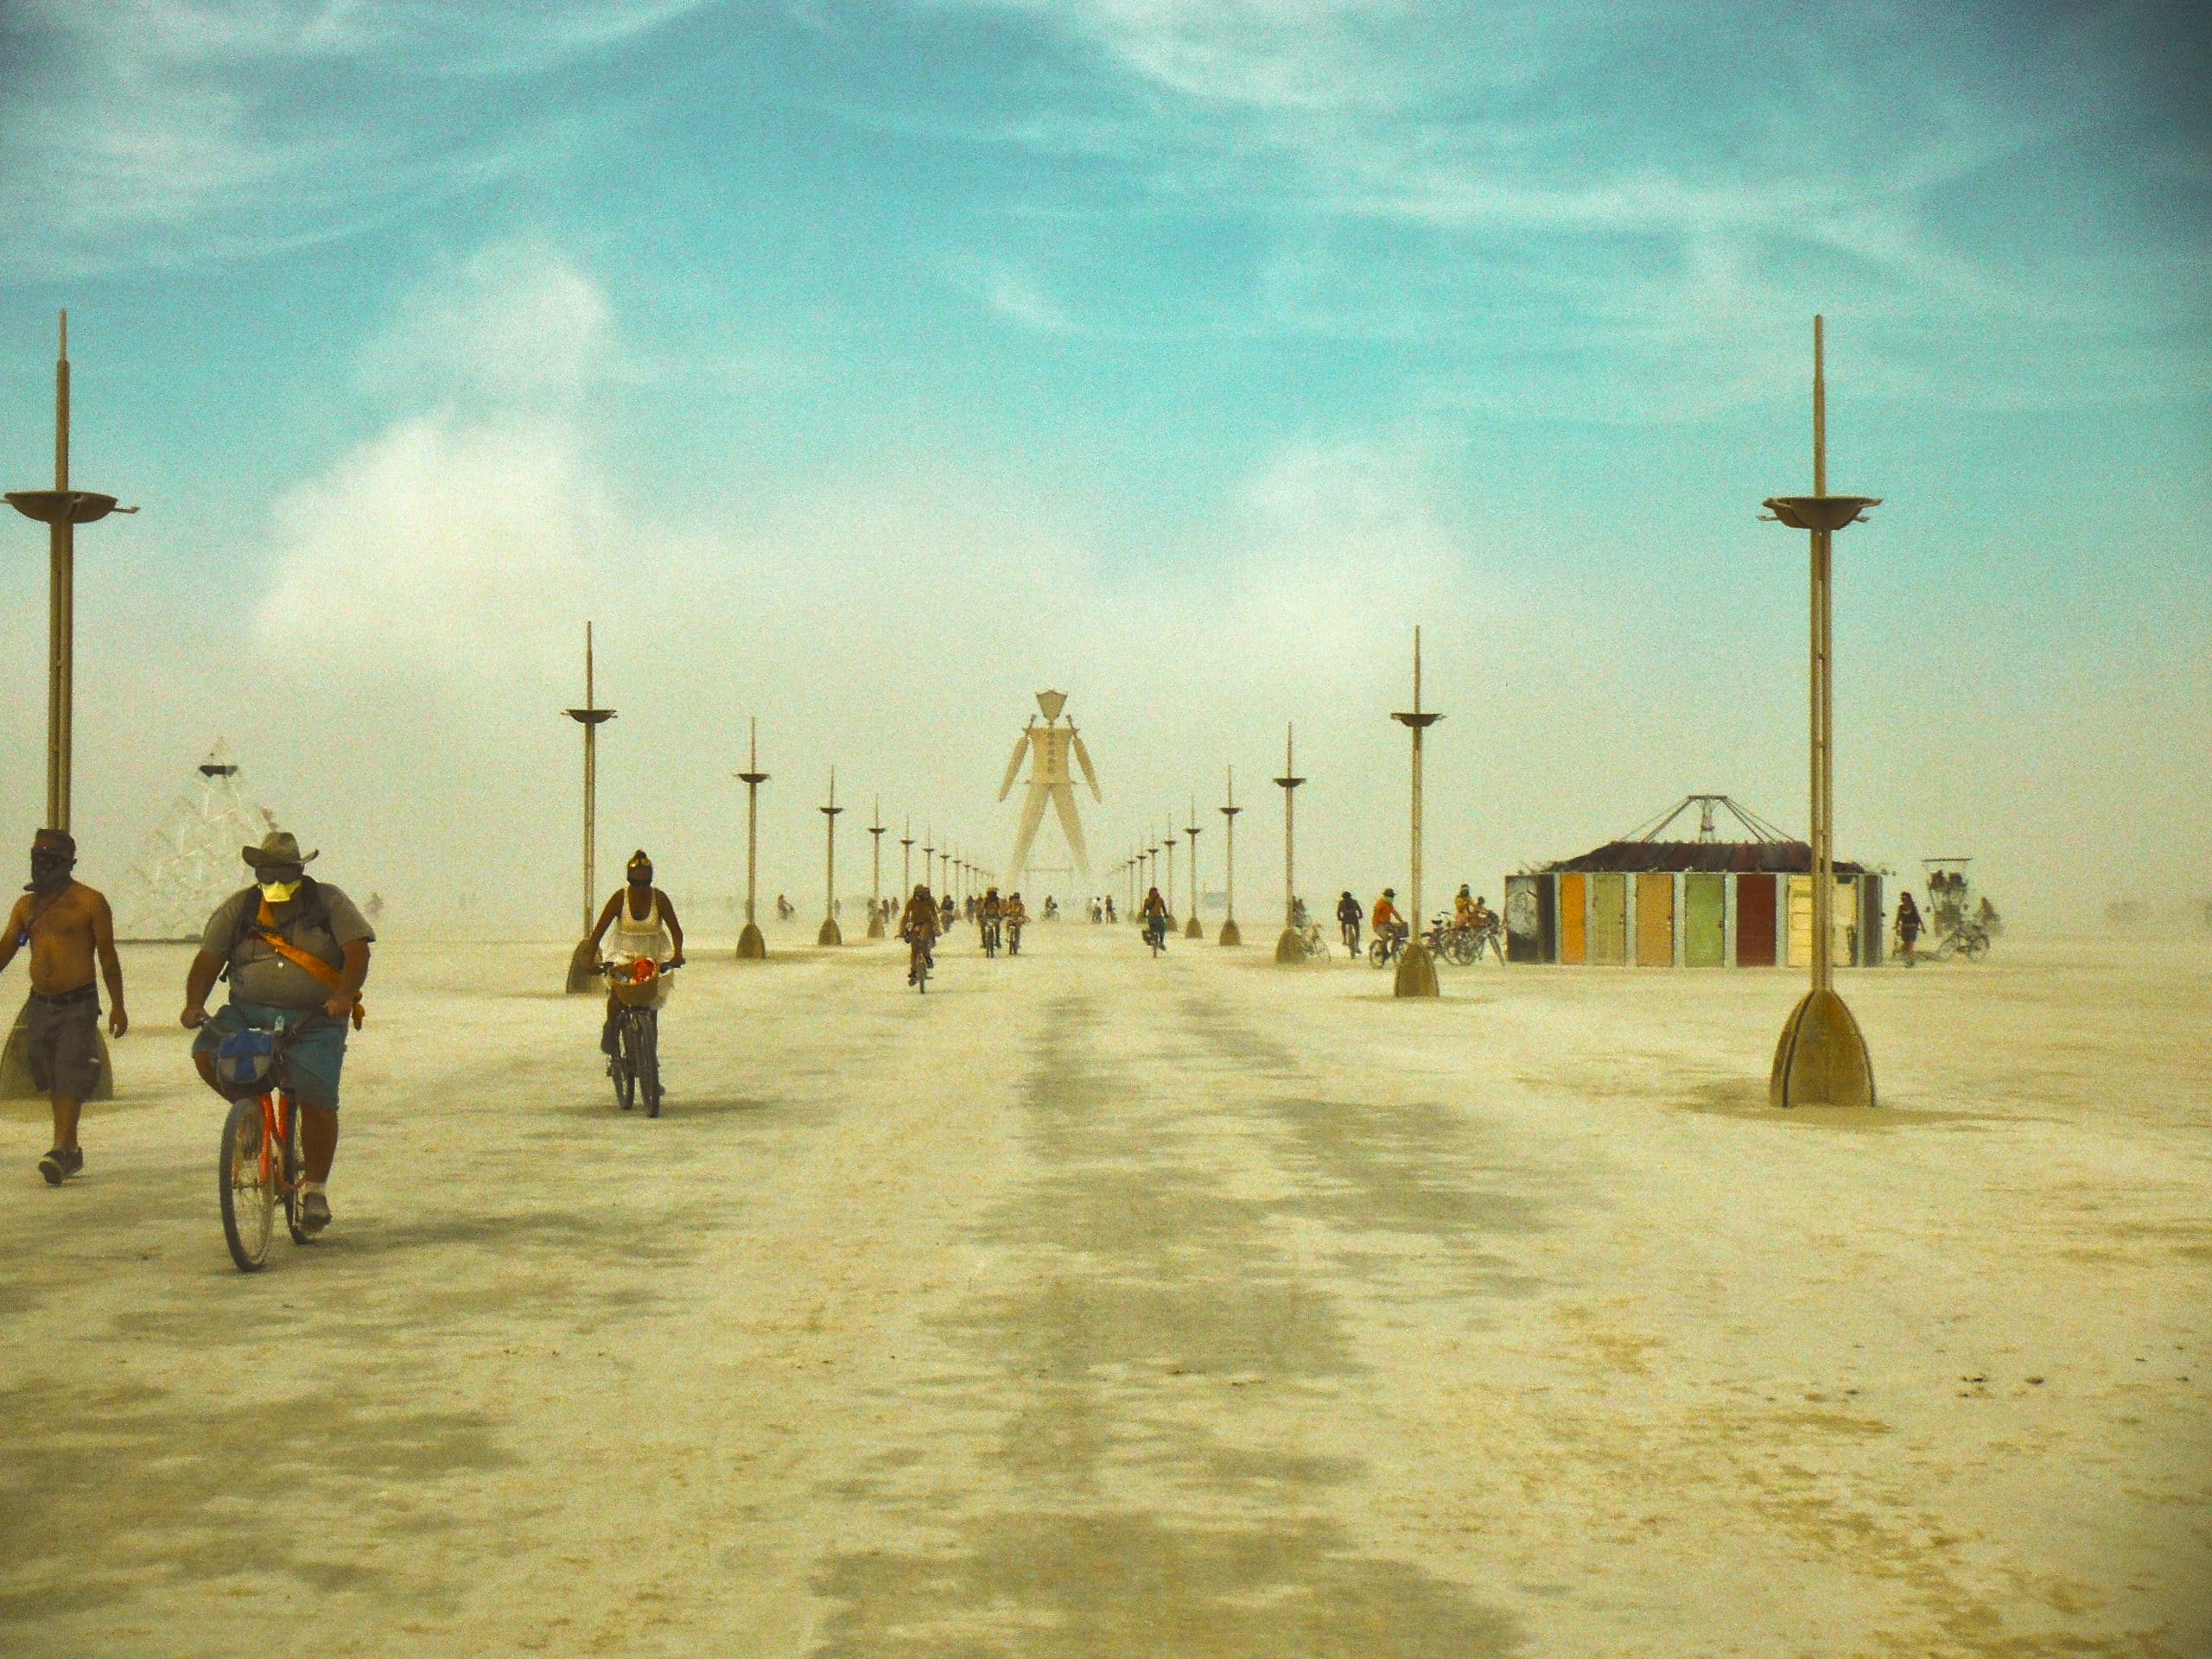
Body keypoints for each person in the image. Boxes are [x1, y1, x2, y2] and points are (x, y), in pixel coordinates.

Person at [182, 830, 372, 1235]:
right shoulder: (242, 908)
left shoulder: (329, 902)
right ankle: (252, 1126)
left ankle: (316, 1189)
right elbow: (207, 959)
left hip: (315, 1018)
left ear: (300, 872)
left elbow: (358, 951)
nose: (275, 884)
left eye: (284, 876)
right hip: (248, 1012)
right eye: (267, 876)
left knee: (318, 1098)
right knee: (207, 1054)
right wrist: (194, 1003)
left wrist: (343, 995)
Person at [1, 830, 127, 1185]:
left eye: (50, 860)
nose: (42, 867)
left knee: (69, 1070)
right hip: (40, 1004)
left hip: (78, 1003)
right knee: (48, 1072)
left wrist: (118, 1006)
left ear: (68, 863)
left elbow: (108, 958)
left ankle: (63, 1148)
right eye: (37, 858)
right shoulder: (26, 907)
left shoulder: (90, 902)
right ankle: (68, 1148)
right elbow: (8, 946)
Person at [586, 850, 685, 1058]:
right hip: (623, 953)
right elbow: (598, 933)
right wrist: (590, 961)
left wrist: (677, 954)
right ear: (629, 881)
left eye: (644, 883)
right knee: (618, 994)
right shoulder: (619, 899)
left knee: (651, 1010)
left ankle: (650, 1063)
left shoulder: (659, 899)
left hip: (652, 954)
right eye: (635, 883)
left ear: (650, 881)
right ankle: (611, 1028)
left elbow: (676, 930)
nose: (640, 889)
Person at [899, 884, 939, 983]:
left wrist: (937, 928)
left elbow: (934, 915)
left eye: (921, 893)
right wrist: (902, 930)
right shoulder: (911, 902)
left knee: (923, 940)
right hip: (914, 923)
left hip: (926, 923)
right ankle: (913, 970)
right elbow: (905, 916)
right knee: (914, 949)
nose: (920, 896)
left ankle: (927, 957)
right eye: (918, 893)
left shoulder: (929, 901)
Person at [1371, 887, 1406, 955]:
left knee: (1397, 931)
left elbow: (1395, 913)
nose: (1392, 898)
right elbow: (1377, 915)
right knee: (1385, 936)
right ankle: (1381, 951)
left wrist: (1401, 921)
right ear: (1386, 896)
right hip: (1378, 925)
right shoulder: (1380, 903)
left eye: (1392, 896)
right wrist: (1382, 920)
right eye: (1390, 896)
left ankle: (1394, 948)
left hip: (1387, 924)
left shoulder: (1389, 904)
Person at [1896, 891, 1923, 967]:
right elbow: (1898, 917)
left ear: (1909, 899)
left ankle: (1911, 961)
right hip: (1904, 928)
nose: (1904, 900)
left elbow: (1917, 917)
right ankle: (1909, 958)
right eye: (1902, 898)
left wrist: (1922, 926)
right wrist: (1897, 926)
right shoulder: (1901, 907)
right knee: (1906, 945)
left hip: (1912, 928)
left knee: (1911, 944)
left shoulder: (1913, 907)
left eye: (1905, 898)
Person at [1141, 885, 1169, 950]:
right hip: (1153, 918)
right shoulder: (1148, 900)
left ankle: (1161, 942)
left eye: (1155, 892)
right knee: (1158, 929)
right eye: (1153, 893)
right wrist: (1144, 915)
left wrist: (1165, 914)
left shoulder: (1160, 900)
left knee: (1162, 929)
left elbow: (1163, 908)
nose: (1154, 894)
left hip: (1157, 917)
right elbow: (1145, 909)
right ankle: (1156, 941)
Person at [1335, 890, 1363, 956]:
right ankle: (1357, 945)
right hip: (1354, 918)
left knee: (1343, 927)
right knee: (1357, 931)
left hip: (1346, 919)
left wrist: (1339, 918)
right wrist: (1360, 916)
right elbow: (1359, 910)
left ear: (1343, 897)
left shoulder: (1341, 902)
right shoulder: (1354, 902)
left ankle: (1344, 939)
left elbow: (1338, 912)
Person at [979, 886, 1004, 955]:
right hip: (987, 916)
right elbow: (981, 908)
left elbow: (1001, 909)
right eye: (990, 894)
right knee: (982, 925)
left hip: (995, 916)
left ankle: (997, 941)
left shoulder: (998, 900)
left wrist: (1001, 916)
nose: (991, 895)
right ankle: (984, 941)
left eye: (993, 894)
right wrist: (980, 915)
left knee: (997, 925)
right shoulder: (985, 900)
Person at [1005, 891, 1029, 955]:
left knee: (1018, 927)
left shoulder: (1021, 905)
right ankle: (1008, 936)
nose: (1016, 899)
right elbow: (1007, 910)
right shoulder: (1010, 904)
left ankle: (1017, 942)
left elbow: (1023, 912)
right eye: (1015, 898)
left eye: (1017, 898)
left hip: (1018, 918)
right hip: (1011, 918)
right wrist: (1007, 913)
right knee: (1008, 923)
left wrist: (1023, 917)